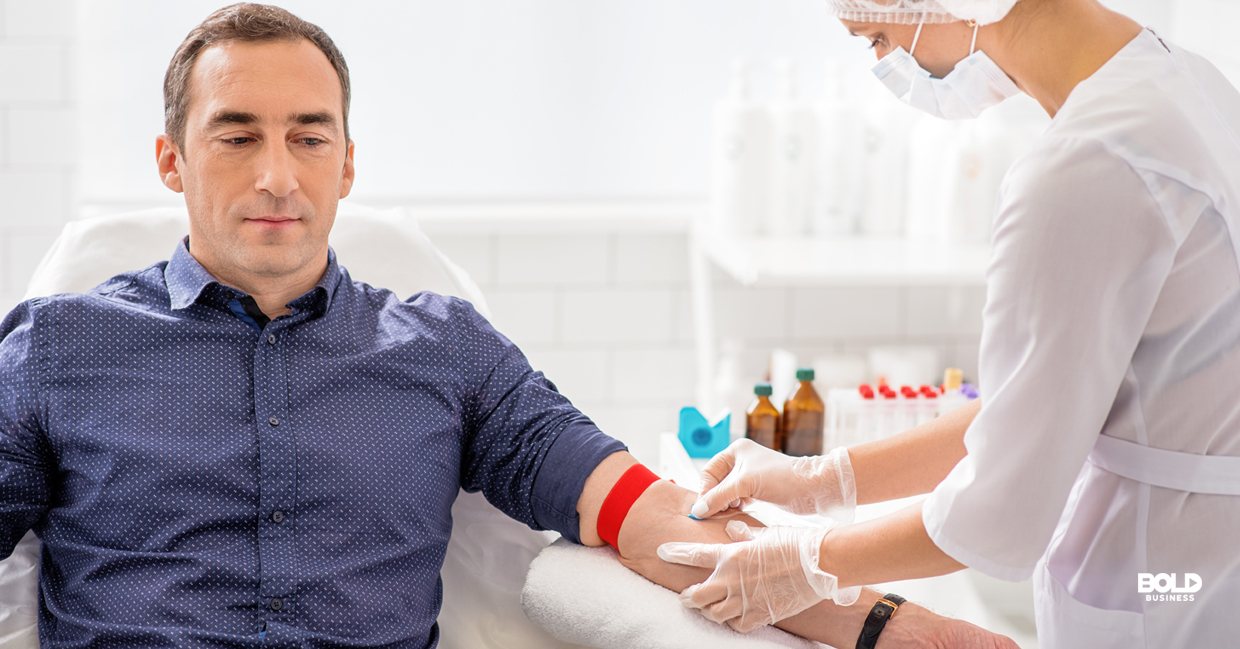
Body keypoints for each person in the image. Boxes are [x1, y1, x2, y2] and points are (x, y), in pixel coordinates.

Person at [0, 3, 1022, 648]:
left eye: (308, 136)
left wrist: (889, 627)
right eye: (236, 135)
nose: (276, 173)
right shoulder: (57, 345)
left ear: (347, 163)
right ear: (172, 160)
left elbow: (647, 515)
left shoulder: (443, 349)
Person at [659, 0, 1240, 646]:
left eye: (877, 35)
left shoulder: (1085, 168)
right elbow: (1042, 402)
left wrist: (808, 562)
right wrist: (820, 479)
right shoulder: (1184, 81)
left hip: (1165, 589)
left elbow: (1001, 506)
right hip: (1198, 571)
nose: (882, 62)